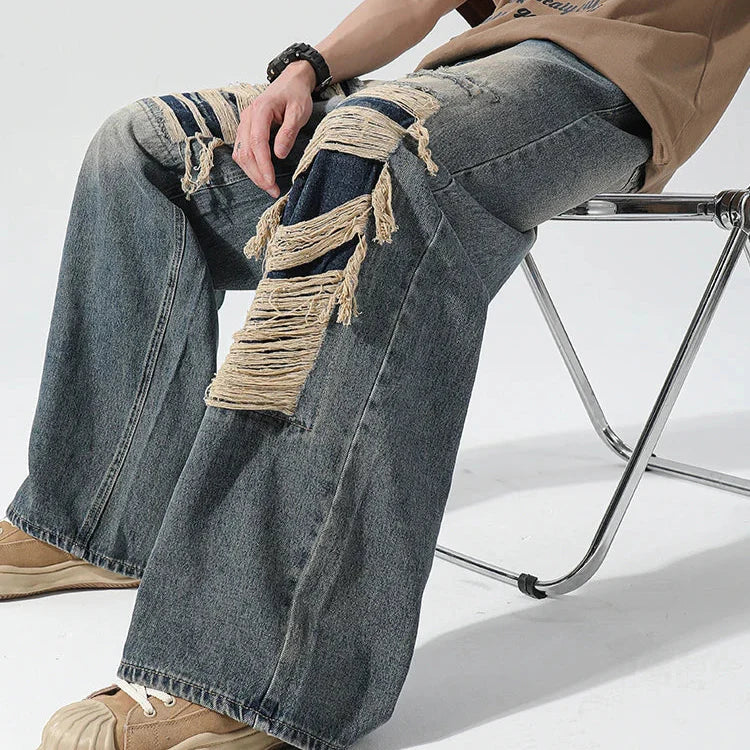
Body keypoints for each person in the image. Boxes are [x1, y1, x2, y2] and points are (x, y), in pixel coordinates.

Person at [2, 0, 748, 748]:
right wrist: (306, 69)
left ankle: (253, 671)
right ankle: (95, 515)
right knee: (146, 145)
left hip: (605, 88)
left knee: (378, 153)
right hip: (472, 76)